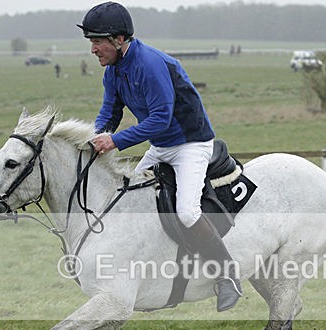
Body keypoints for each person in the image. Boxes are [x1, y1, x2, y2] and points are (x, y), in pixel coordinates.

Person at [78, 1, 241, 312]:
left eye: (97, 41)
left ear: (118, 39)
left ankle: (227, 276)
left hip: (191, 145)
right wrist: (94, 137)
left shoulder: (150, 64)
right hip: (162, 146)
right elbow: (110, 112)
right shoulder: (113, 71)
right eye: (91, 42)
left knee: (187, 212)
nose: (93, 49)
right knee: (127, 200)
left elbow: (160, 119)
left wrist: (114, 141)